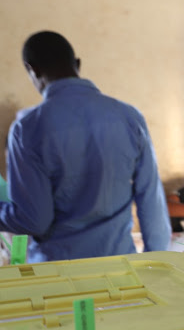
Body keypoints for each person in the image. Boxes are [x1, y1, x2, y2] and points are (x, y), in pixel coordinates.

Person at [0, 31, 171, 262]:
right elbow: (151, 198)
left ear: (33, 70)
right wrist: (156, 260)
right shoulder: (129, 117)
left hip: (58, 270)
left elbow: (35, 219)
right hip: (118, 265)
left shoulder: (28, 129)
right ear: (78, 64)